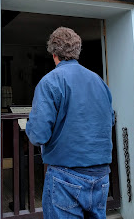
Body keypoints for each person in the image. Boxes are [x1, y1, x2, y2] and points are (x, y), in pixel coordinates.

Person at [26, 27, 115, 219]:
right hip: (101, 175)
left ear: (53, 53)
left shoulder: (50, 81)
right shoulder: (99, 81)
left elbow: (38, 135)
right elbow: (110, 120)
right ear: (77, 51)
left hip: (66, 174)